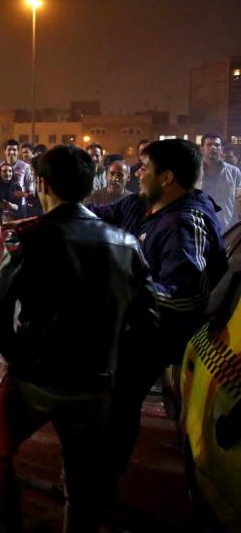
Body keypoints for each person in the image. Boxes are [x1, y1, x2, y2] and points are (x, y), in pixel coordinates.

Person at [0, 145, 158, 532]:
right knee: (82, 482)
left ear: (41, 183)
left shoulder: (28, 237)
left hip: (36, 379)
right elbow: (148, 318)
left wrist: (17, 356)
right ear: (89, 184)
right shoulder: (126, 245)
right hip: (95, 385)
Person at [89, 139, 227, 490]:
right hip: (135, 323)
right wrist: (53, 218)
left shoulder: (183, 222)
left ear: (167, 178)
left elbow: (187, 297)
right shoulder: (142, 205)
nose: (137, 173)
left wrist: (125, 292)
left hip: (157, 334)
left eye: (144, 168)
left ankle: (101, 483)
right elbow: (101, 215)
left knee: (121, 400)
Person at [199, 132, 241, 230]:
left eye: (217, 145)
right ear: (202, 149)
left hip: (228, 230)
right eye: (209, 144)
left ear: (221, 149)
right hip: (201, 229)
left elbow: (239, 199)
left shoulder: (234, 172)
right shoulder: (194, 173)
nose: (213, 147)